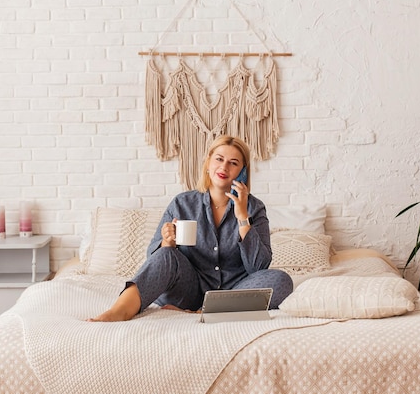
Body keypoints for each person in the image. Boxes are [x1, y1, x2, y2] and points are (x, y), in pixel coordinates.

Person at [88, 136, 293, 322]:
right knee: (165, 254)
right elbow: (155, 259)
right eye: (219, 159)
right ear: (208, 163)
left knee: (281, 280)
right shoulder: (182, 203)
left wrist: (242, 218)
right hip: (188, 290)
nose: (224, 167)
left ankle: (209, 311)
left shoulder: (254, 208)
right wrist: (167, 243)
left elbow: (259, 268)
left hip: (234, 291)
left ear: (243, 171)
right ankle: (119, 311)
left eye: (234, 163)